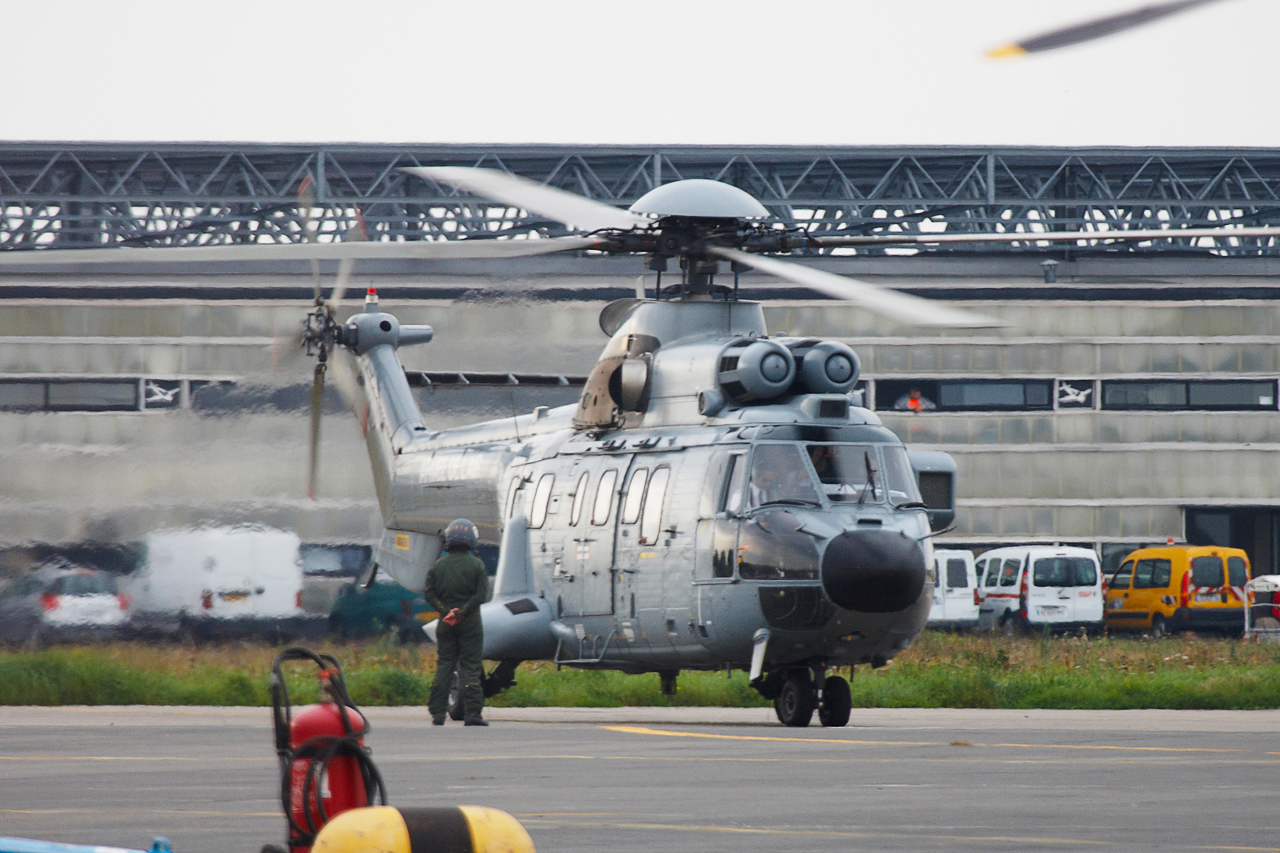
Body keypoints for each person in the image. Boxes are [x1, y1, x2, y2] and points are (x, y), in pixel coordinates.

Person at [424, 518, 490, 727]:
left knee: (445, 665)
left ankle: (437, 714)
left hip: (445, 623)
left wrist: (446, 612)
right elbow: (480, 596)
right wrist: (461, 612)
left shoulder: (437, 567)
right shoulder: (477, 565)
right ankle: (472, 715)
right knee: (470, 666)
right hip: (470, 623)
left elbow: (429, 594)